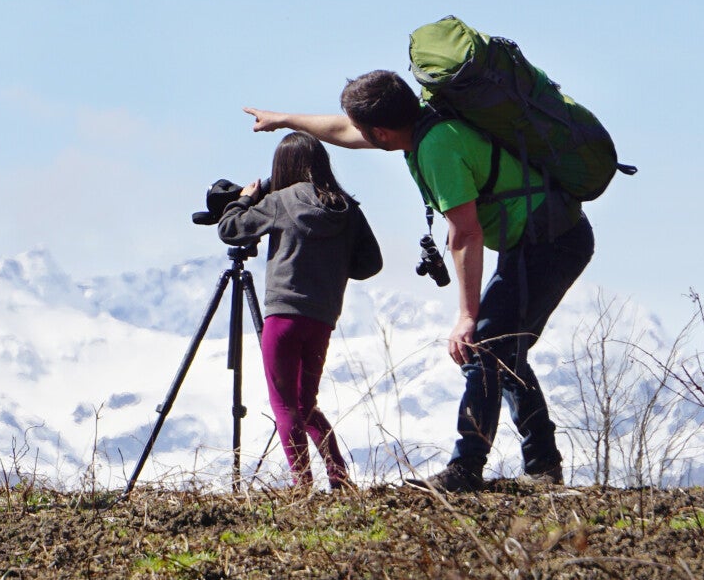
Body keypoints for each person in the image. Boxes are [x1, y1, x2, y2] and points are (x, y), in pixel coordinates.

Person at [244, 69, 595, 492]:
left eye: (362, 130)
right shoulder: (423, 125)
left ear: (381, 132)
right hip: (537, 240)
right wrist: (283, 119)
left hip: (553, 243)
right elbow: (340, 130)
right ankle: (543, 466)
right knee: (504, 347)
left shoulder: (437, 149)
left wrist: (466, 315)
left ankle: (466, 469)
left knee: (484, 346)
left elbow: (465, 233)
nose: (354, 134)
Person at [218, 132, 383, 491]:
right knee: (306, 403)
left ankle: (301, 484)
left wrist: (243, 200)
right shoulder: (347, 208)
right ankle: (338, 476)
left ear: (283, 168)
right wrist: (332, 264)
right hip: (323, 317)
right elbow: (370, 263)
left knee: (285, 405)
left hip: (283, 315)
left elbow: (230, 230)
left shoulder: (279, 201)